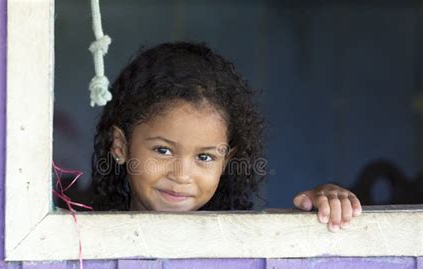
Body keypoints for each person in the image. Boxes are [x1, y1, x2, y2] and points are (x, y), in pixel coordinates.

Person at [91, 41, 362, 232]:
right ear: (121, 146)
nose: (182, 175)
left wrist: (321, 206)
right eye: (163, 150)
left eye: (205, 156)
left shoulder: (241, 242)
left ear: (225, 162)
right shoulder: (84, 237)